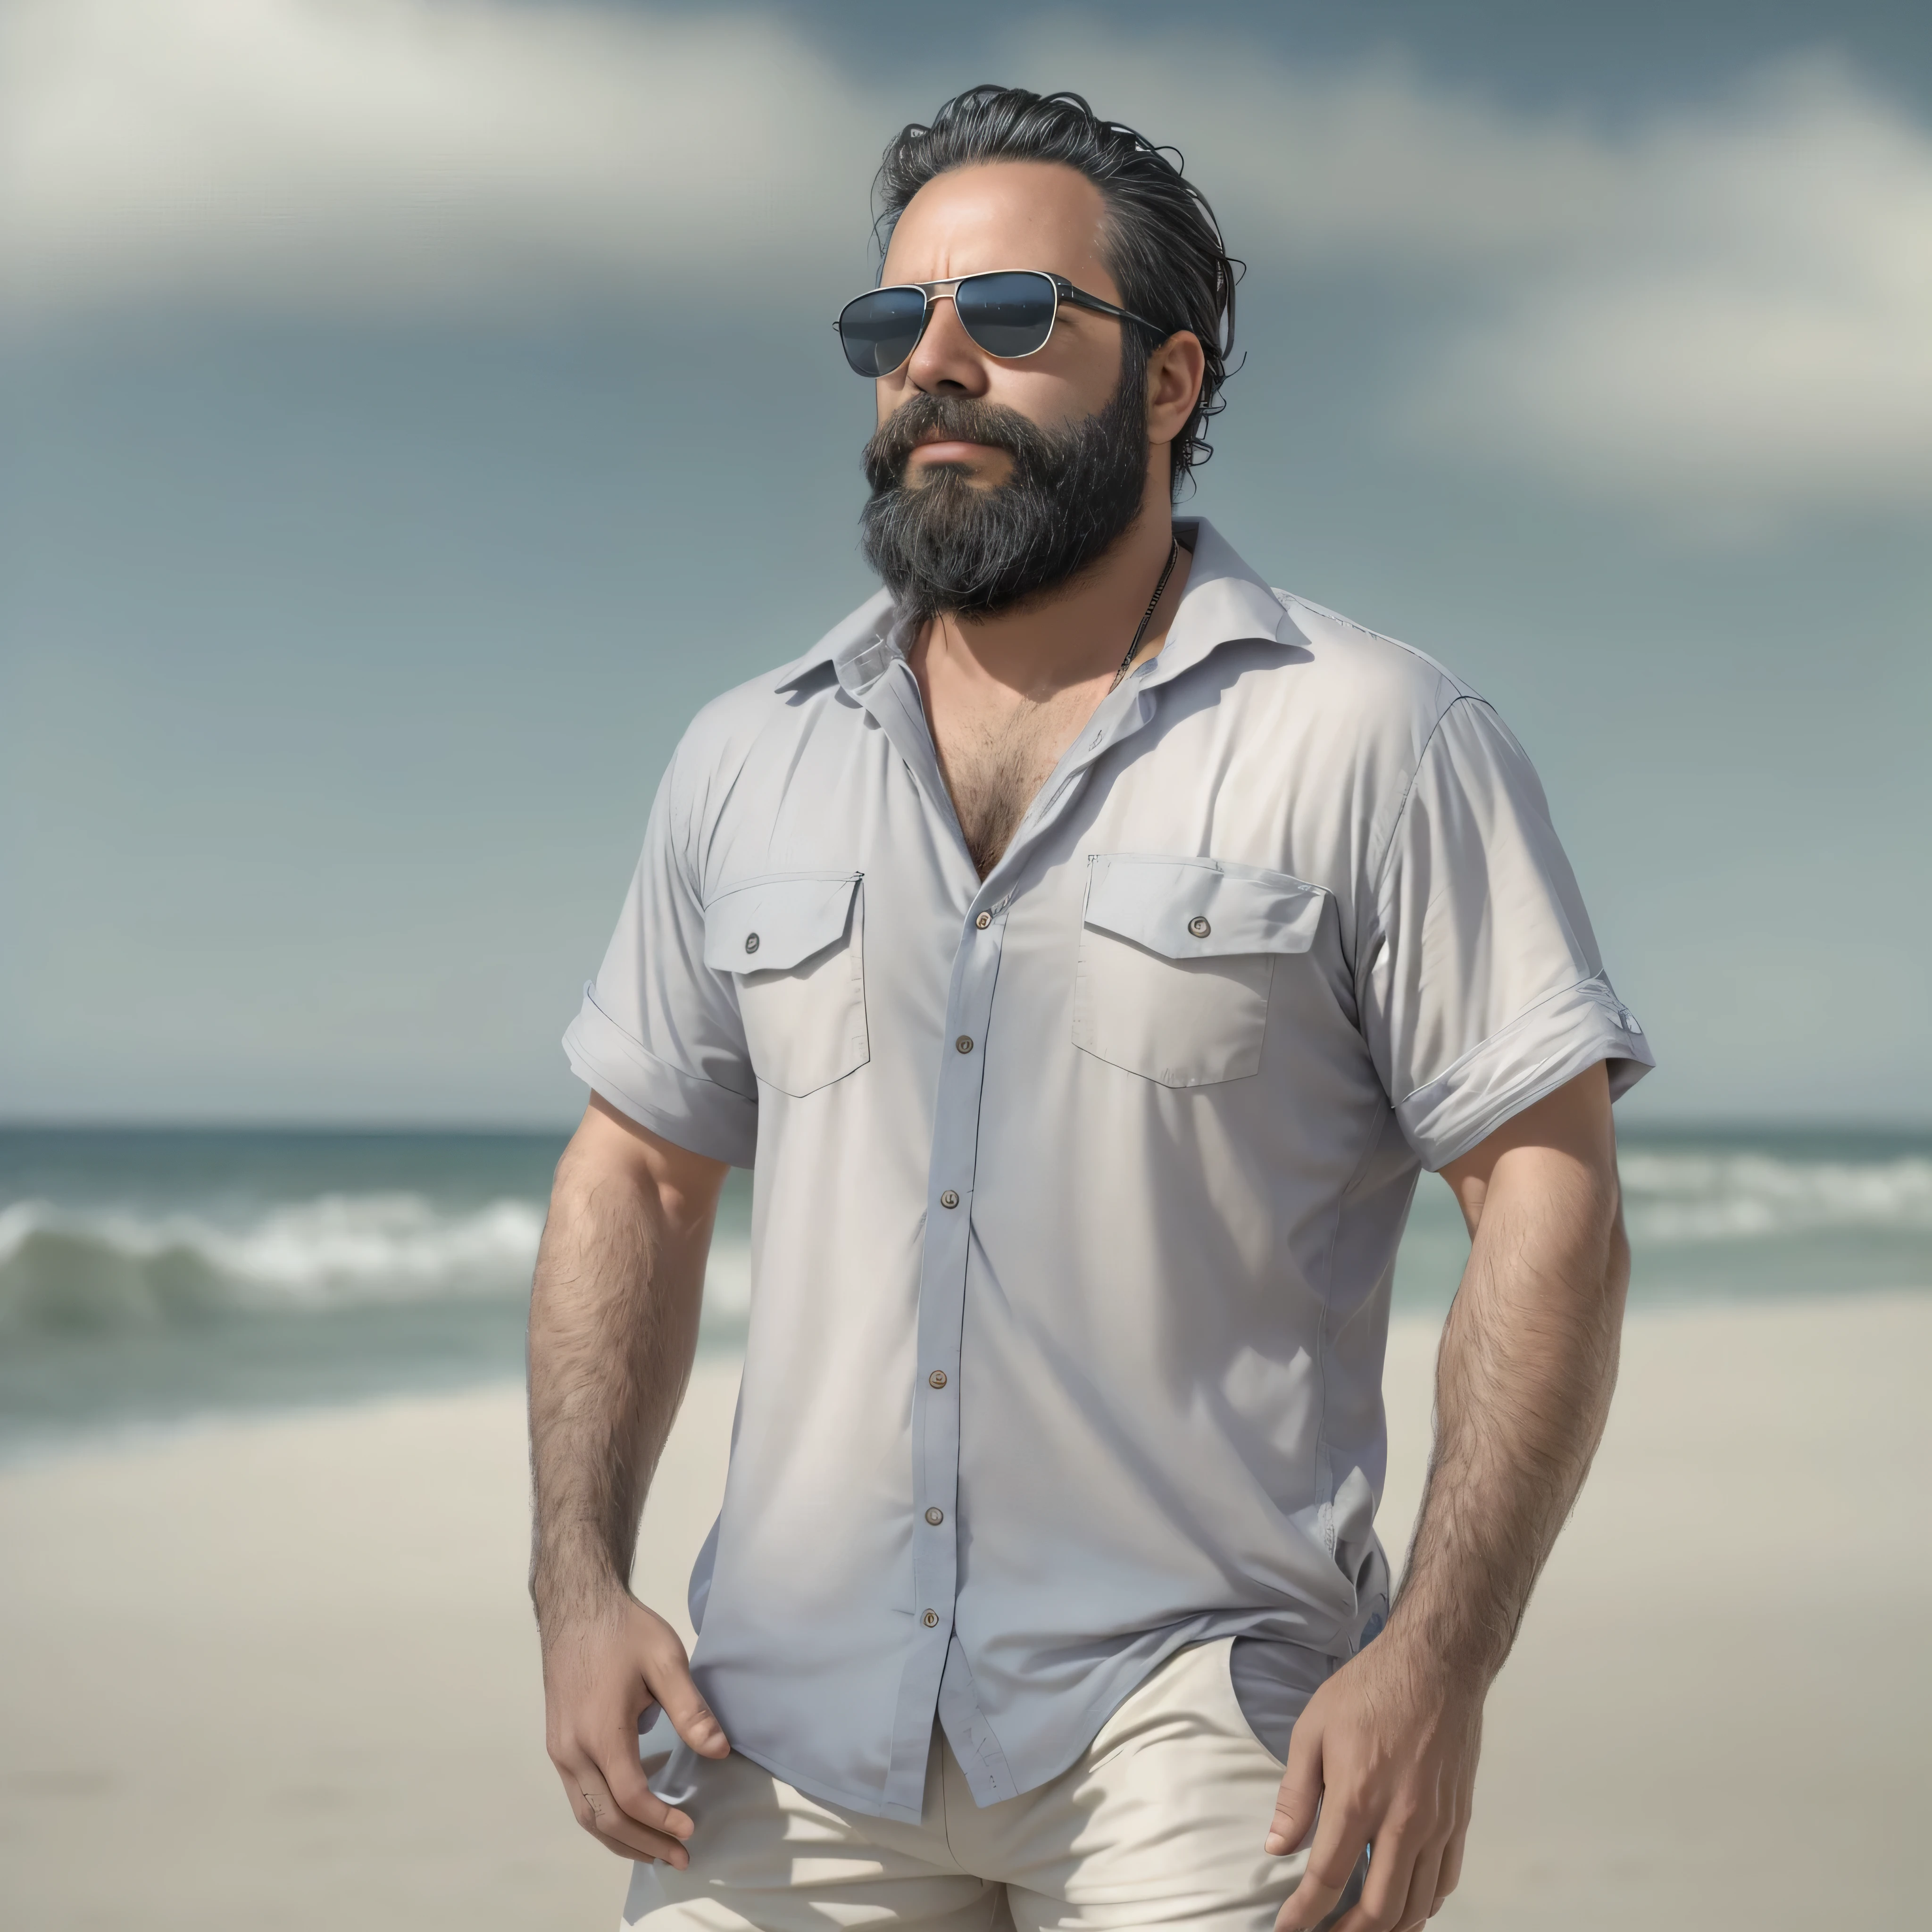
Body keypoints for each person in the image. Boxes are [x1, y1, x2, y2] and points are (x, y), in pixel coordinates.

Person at [528, 85, 1651, 1932]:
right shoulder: (741, 763)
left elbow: (1550, 1199)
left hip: (1198, 1729)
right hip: (779, 1729)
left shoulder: (1371, 738)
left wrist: (1440, 1659)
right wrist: (579, 1582)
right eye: (891, 329)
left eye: (1013, 318)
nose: (935, 368)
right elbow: (636, 1175)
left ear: (1168, 380)